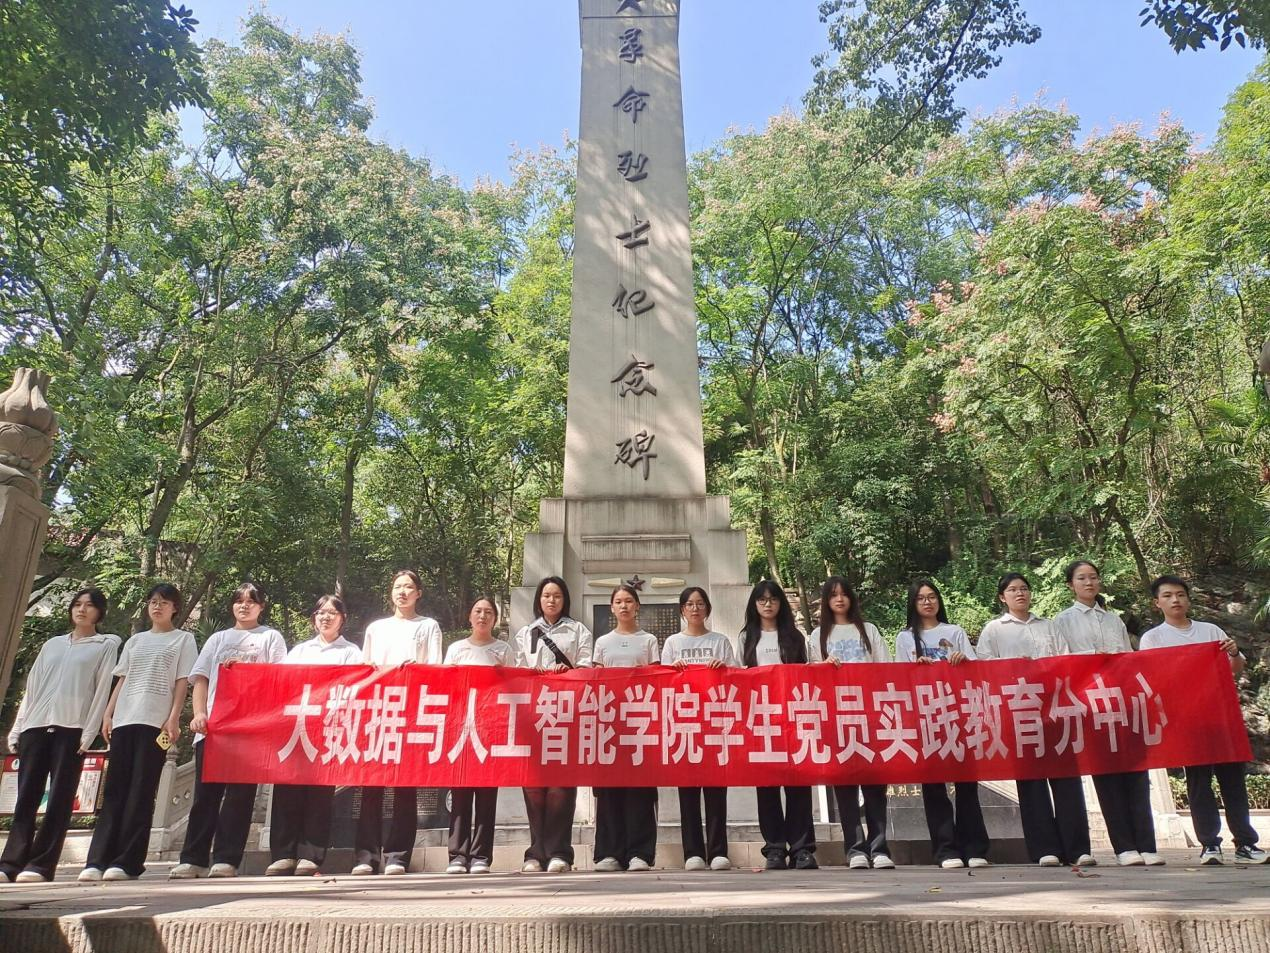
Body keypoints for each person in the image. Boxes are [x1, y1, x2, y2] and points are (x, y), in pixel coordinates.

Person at [1140, 575, 1267, 866]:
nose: (1175, 600)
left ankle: (1246, 843)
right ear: (1157, 603)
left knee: (1233, 781)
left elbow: (1235, 669)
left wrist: (1234, 652)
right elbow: (1152, 677)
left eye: (1180, 594)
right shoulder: (1153, 638)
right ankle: (1209, 844)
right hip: (1187, 720)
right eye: (1168, 595)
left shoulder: (1210, 630)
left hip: (1221, 716)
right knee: (1199, 783)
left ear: (1188, 599)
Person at [79, 583, 197, 882]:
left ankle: (127, 861)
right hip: (124, 719)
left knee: (142, 790)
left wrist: (173, 718)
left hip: (155, 722)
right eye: (153, 601)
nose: (157, 606)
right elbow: (122, 678)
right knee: (115, 790)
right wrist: (108, 713)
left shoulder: (183, 639)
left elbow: (181, 681)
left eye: (164, 602)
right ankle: (97, 860)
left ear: (175, 608)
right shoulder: (136, 640)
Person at [170, 583, 287, 879]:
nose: (244, 605)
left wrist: (249, 670)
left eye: (251, 601)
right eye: (239, 601)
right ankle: (192, 858)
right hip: (214, 728)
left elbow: (280, 679)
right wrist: (200, 714)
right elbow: (201, 679)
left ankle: (226, 858)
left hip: (250, 730)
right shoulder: (218, 639)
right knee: (204, 796)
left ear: (261, 606)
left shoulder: (270, 637)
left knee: (240, 797)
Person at [2, 588, 120, 883]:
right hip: (35, 726)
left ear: (100, 612)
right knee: (26, 797)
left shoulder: (105, 645)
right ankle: (10, 862)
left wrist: (89, 732)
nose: (82, 610)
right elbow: (32, 688)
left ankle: (40, 865)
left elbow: (101, 689)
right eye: (77, 604)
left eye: (89, 605)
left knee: (59, 798)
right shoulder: (52, 645)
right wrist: (18, 727)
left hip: (72, 728)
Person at [977, 572, 1094, 868]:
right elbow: (984, 668)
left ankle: (1077, 847)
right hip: (1020, 713)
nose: (1020, 594)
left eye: (1024, 589)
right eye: (1012, 590)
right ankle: (1044, 848)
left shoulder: (1049, 626)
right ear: (1002, 597)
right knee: (1031, 784)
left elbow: (1065, 661)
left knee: (1067, 780)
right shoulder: (994, 630)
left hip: (1055, 711)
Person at [1053, 560, 1162, 866]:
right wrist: (1093, 658)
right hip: (1090, 705)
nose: (1089, 583)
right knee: (1107, 776)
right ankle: (1124, 847)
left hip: (1123, 703)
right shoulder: (1062, 621)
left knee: (1137, 774)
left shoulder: (1114, 620)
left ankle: (1147, 844)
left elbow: (1128, 659)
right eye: (1082, 578)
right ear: (1070, 585)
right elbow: (1061, 662)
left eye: (1093, 577)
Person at [895, 578, 989, 870]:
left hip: (959, 714)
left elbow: (977, 672)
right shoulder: (905, 638)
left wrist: (963, 661)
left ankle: (974, 847)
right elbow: (898, 678)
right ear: (913, 604)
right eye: (921, 598)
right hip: (926, 717)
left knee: (967, 783)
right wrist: (916, 669)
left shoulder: (955, 632)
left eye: (932, 596)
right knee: (934, 786)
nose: (927, 602)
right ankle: (945, 850)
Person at [353, 570, 442, 876]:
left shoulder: (428, 626)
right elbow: (364, 670)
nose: (402, 592)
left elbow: (435, 668)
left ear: (419, 593)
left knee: (405, 787)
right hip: (378, 712)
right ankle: (366, 856)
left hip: (411, 711)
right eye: (397, 587)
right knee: (370, 786)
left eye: (408, 587)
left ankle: (398, 856)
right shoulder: (376, 628)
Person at [266, 594, 362, 876]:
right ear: (314, 618)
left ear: (343, 619)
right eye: (321, 612)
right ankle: (283, 854)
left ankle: (311, 855)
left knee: (320, 794)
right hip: (296, 727)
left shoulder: (351, 653)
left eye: (332, 612)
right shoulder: (299, 651)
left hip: (327, 729)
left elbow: (355, 686)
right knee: (287, 789)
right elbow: (279, 682)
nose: (326, 617)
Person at [809, 576, 894, 871]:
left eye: (844, 593)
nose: (839, 599)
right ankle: (855, 848)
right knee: (844, 785)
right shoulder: (817, 635)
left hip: (870, 714)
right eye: (833, 595)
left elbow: (886, 668)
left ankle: (879, 848)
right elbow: (810, 675)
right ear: (826, 600)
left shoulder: (868, 630)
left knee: (875, 785)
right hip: (837, 717)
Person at [511, 576, 593, 873]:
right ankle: (535, 851)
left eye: (557, 595)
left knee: (561, 785)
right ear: (539, 600)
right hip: (534, 714)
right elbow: (518, 670)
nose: (551, 600)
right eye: (546, 595)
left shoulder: (578, 630)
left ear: (565, 599)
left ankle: (560, 852)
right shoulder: (526, 633)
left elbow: (586, 667)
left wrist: (566, 674)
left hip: (566, 713)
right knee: (533, 784)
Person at [740, 580, 817, 871]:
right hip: (761, 719)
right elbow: (739, 676)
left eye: (773, 599)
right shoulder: (747, 637)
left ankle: (802, 849)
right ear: (754, 604)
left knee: (799, 784)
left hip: (794, 717)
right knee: (767, 786)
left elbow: (807, 674)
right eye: (762, 599)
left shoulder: (795, 637)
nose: (768, 604)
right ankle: (774, 848)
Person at [661, 586, 736, 872]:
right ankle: (692, 852)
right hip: (684, 724)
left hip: (715, 723)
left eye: (700, 603)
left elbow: (736, 679)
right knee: (688, 792)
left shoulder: (720, 642)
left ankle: (718, 851)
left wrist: (723, 669)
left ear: (707, 609)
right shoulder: (672, 643)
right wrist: (674, 671)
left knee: (716, 791)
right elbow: (662, 684)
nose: (695, 608)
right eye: (690, 604)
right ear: (682, 610)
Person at [592, 585, 660, 872]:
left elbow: (657, 679)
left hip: (640, 722)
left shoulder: (649, 640)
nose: (624, 606)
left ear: (637, 606)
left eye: (629, 601)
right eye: (618, 601)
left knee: (640, 791)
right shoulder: (603, 642)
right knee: (609, 790)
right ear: (611, 607)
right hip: (609, 723)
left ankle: (640, 853)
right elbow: (595, 681)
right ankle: (609, 852)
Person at [443, 596, 512, 874]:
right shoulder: (456, 649)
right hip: (461, 726)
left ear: (495, 619)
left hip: (491, 727)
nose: (482, 616)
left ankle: (481, 855)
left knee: (486, 794)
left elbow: (514, 687)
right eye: (478, 611)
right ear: (469, 617)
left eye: (488, 612)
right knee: (460, 793)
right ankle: (457, 855)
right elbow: (445, 685)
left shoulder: (503, 650)